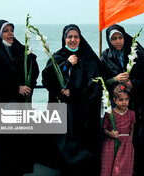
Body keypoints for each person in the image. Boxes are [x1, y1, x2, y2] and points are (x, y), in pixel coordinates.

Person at [101, 24, 144, 176]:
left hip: (143, 109)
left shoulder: (136, 54)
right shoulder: (106, 57)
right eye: (114, 39)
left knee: (142, 144)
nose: (117, 42)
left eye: (120, 37)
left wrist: (132, 84)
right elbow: (103, 82)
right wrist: (115, 79)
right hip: (121, 109)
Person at [42, 24, 102, 176]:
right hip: (65, 110)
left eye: (76, 37)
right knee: (66, 147)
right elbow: (48, 79)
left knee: (86, 148)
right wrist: (67, 64)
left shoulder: (89, 57)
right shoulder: (58, 57)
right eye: (69, 37)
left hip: (85, 110)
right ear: (64, 39)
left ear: (80, 38)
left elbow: (96, 81)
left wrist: (75, 92)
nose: (73, 40)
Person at [0, 20, 39, 176]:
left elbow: (33, 71)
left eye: (11, 30)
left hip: (19, 107)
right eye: (5, 31)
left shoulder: (20, 50)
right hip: (2, 108)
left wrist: (27, 83)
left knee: (19, 149)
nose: (10, 34)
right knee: (3, 150)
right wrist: (15, 88)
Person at [101, 84, 135, 176]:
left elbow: (132, 129)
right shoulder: (110, 114)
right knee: (108, 169)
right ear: (115, 100)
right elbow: (104, 129)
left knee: (122, 170)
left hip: (126, 146)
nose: (124, 102)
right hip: (111, 145)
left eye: (126, 99)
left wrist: (129, 143)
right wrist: (111, 134)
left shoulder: (131, 114)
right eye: (121, 100)